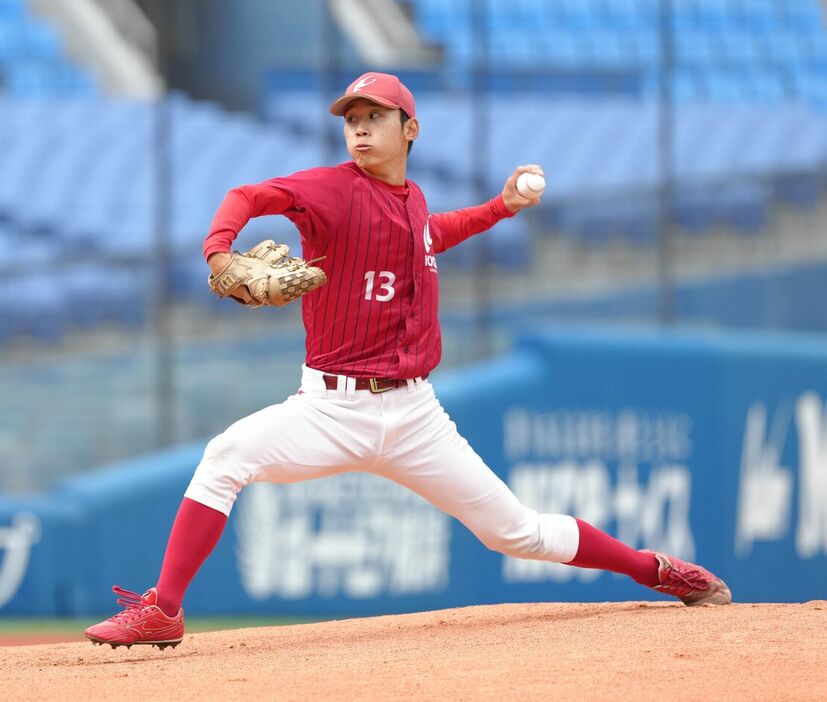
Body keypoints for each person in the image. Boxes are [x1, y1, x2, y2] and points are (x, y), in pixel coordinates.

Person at [85, 72, 730, 649]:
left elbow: (432, 234)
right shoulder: (332, 192)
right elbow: (246, 195)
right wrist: (220, 254)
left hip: (417, 416)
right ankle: (163, 610)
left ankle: (658, 570)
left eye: (375, 118)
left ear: (410, 128)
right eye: (351, 120)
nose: (360, 129)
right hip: (330, 408)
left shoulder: (413, 200)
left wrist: (501, 207)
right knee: (225, 457)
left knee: (517, 534)